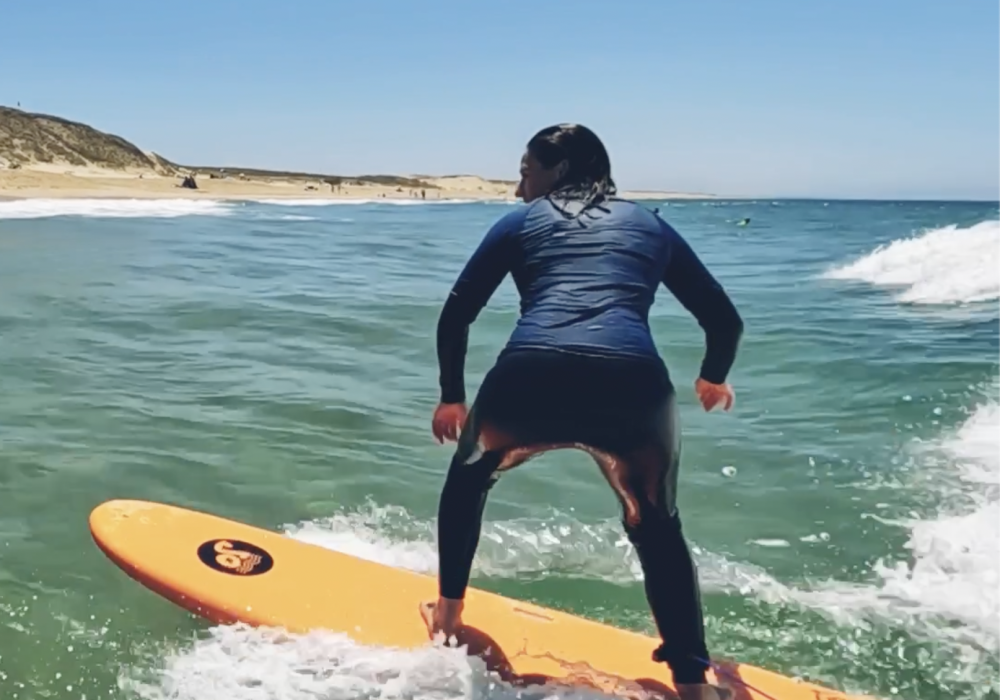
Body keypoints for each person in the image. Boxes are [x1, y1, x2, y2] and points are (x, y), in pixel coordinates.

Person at [421, 123, 744, 700]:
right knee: (657, 526)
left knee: (468, 481)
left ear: (560, 171)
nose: (519, 188)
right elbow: (724, 320)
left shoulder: (519, 224)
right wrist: (712, 375)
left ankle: (446, 619)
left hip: (529, 379)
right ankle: (693, 685)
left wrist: (452, 395)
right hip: (633, 391)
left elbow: (456, 315)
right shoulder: (650, 225)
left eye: (526, 172)